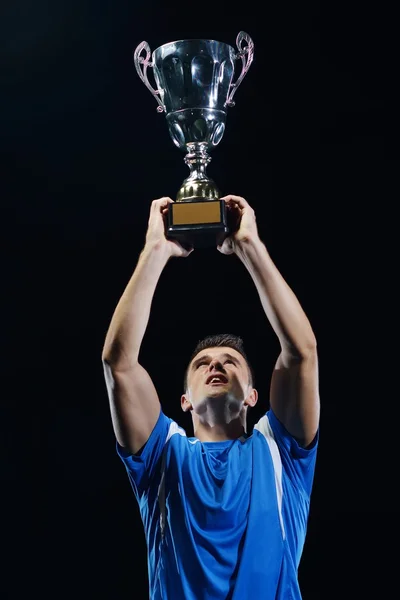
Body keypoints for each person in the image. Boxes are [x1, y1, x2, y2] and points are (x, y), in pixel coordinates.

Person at [101, 195, 320, 600]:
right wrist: (155, 251)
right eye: (202, 363)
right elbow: (119, 364)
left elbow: (301, 352)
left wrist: (250, 247)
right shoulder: (161, 458)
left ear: (254, 395)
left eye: (230, 361)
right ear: (183, 401)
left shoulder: (280, 453)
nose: (215, 366)